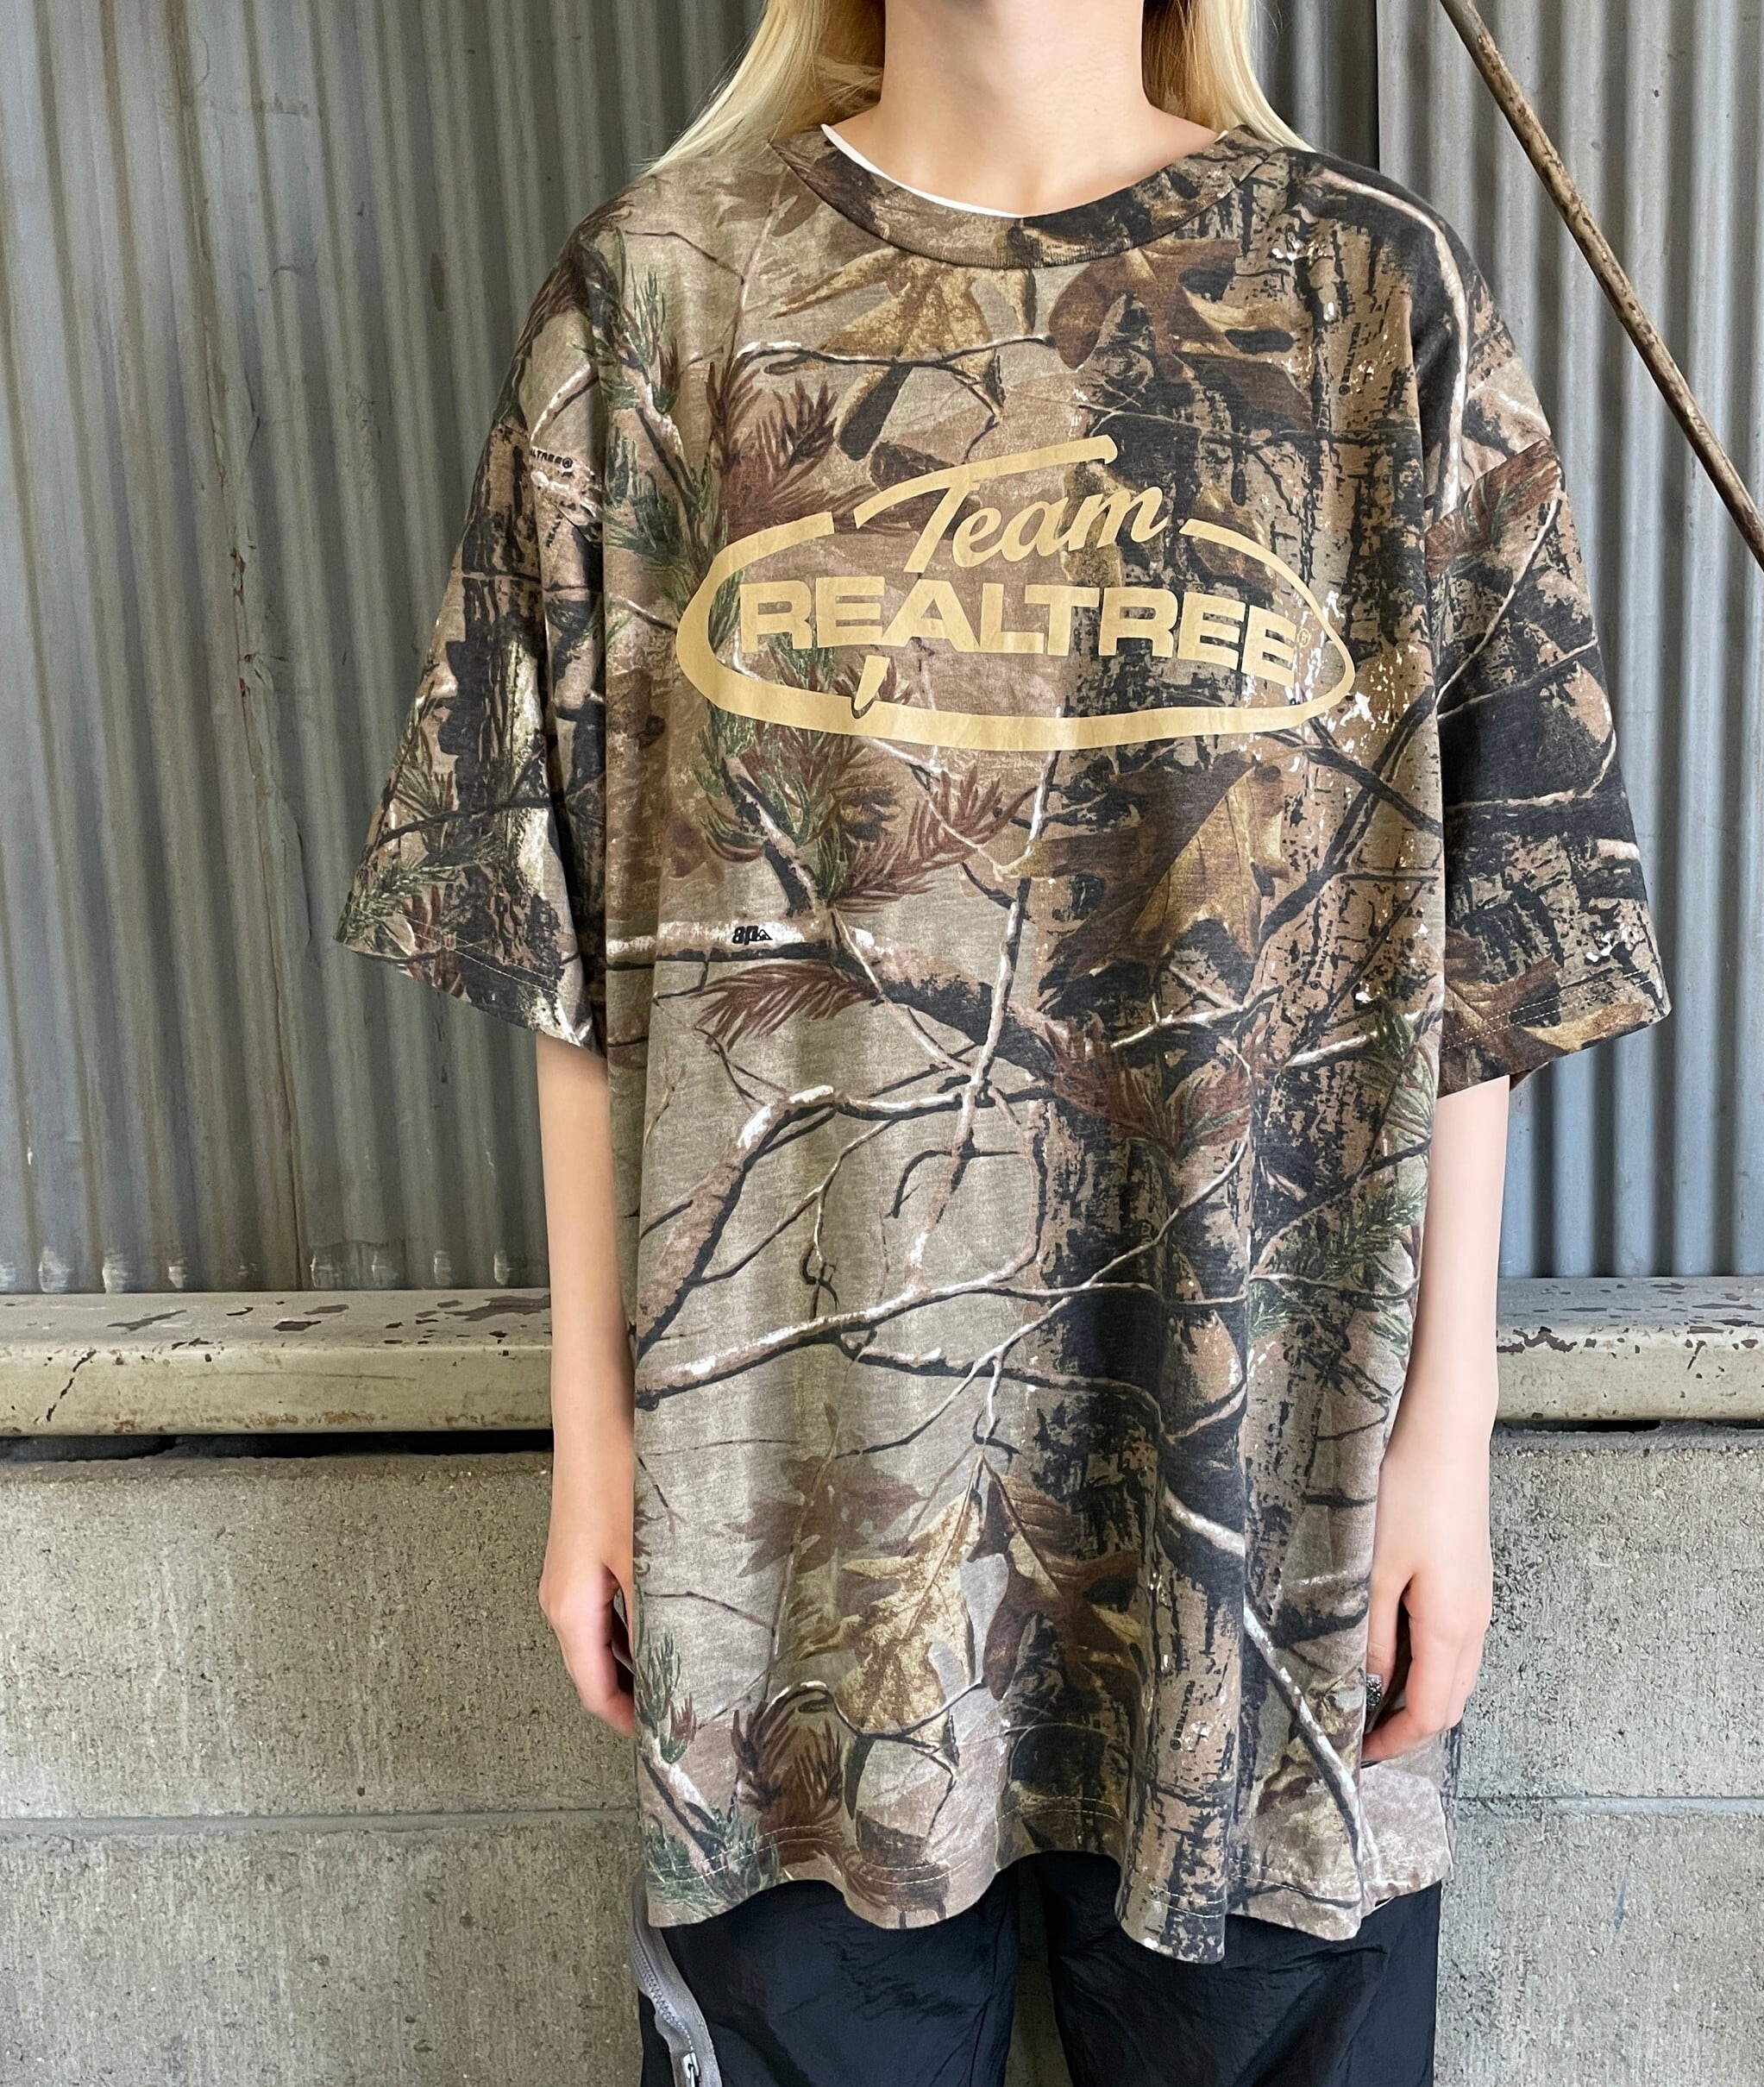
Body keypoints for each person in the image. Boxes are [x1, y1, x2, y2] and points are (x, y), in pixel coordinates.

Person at [336, 0, 1669, 2078]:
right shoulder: (667, 297)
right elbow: (568, 924)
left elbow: (1486, 930)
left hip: (1265, 1502)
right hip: (798, 1513)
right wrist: (595, 1439)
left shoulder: (1362, 291)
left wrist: (1443, 1447)